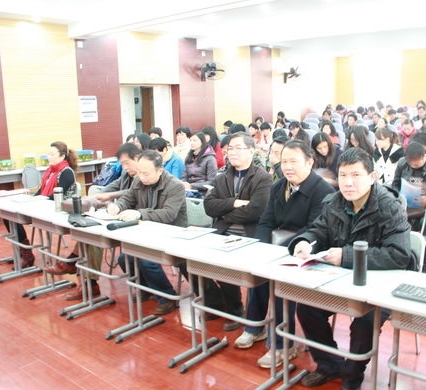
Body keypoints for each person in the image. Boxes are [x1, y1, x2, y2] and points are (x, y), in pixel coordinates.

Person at [290, 148, 417, 390]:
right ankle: (331, 365)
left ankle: (352, 378)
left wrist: (346, 256)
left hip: (382, 286)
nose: (348, 183)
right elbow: (319, 231)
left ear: (372, 177)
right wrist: (305, 241)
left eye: (356, 175)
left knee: (364, 322)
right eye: (343, 175)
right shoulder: (334, 202)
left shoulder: (389, 207)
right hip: (342, 281)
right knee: (306, 308)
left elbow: (399, 255)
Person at [234, 138, 336, 366]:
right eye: (284, 161)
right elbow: (266, 221)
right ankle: (254, 327)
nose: (287, 167)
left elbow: (313, 230)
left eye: (294, 161)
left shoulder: (323, 191)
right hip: (278, 249)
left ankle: (282, 345)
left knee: (280, 283)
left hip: (308, 252)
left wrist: (279, 252)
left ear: (309, 162)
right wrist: (263, 249)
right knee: (258, 273)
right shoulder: (278, 187)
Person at [53, 143, 142, 298]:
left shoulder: (144, 175)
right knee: (90, 231)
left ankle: (81, 273)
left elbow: (131, 192)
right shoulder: (127, 174)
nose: (124, 167)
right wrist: (97, 195)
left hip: (136, 220)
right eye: (122, 164)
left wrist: (109, 197)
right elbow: (114, 186)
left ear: (137, 158)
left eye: (126, 163)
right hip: (121, 216)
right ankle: (85, 278)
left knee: (95, 237)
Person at [203, 133, 272, 331]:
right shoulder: (222, 176)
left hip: (249, 234)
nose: (232, 152)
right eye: (230, 148)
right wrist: (234, 202)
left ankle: (235, 309)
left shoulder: (263, 178)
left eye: (238, 148)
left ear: (251, 151)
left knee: (225, 265)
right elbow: (209, 206)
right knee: (188, 259)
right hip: (222, 232)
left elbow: (255, 210)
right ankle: (215, 301)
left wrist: (225, 215)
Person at [107, 150, 187, 315]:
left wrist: (140, 213)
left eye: (146, 173)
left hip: (172, 234)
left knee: (146, 260)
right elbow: (128, 198)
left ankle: (168, 297)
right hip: (147, 234)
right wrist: (117, 206)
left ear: (160, 170)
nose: (142, 177)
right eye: (139, 172)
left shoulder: (175, 186)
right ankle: (147, 288)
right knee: (125, 258)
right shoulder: (138, 181)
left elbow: (169, 214)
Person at [9, 141, 78, 269]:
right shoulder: (50, 171)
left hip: (56, 209)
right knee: (9, 215)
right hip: (43, 205)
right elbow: (42, 190)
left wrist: (40, 199)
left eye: (52, 154)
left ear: (62, 156)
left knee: (14, 216)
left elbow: (58, 196)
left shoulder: (66, 172)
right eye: (48, 154)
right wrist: (32, 200)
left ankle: (26, 254)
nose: (48, 157)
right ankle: (23, 252)